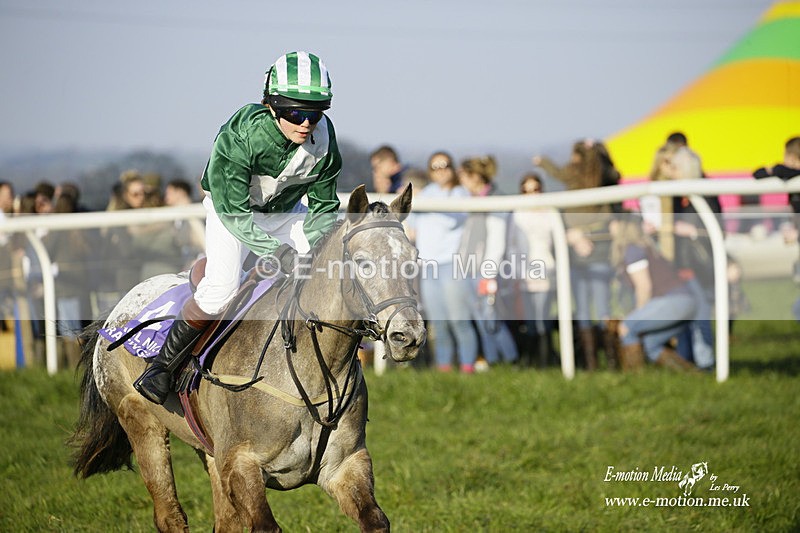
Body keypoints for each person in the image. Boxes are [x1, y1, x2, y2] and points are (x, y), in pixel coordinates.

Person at [135, 51, 342, 404]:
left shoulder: (323, 138)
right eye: (295, 113)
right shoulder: (241, 133)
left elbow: (325, 209)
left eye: (315, 112)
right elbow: (233, 213)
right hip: (232, 213)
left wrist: (312, 244)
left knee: (328, 266)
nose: (307, 123)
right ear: (271, 106)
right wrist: (277, 253)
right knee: (221, 289)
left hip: (282, 215)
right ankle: (161, 368)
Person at [408, 151, 479, 373]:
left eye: (445, 165)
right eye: (435, 167)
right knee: (438, 324)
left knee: (460, 320)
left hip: (452, 265)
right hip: (428, 267)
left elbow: (454, 221)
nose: (441, 170)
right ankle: (444, 369)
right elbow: (411, 228)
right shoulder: (425, 194)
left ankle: (468, 367)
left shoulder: (461, 194)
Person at [611, 216, 698, 371]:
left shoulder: (632, 250)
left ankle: (634, 380)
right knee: (651, 345)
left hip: (673, 300)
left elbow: (644, 287)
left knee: (627, 327)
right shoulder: (646, 247)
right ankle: (694, 377)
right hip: (686, 302)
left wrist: (637, 315)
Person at [457, 155, 518, 368]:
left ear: (474, 176)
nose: (461, 181)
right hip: (468, 267)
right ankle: (493, 361)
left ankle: (510, 360)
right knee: (481, 318)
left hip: (483, 270)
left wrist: (488, 274)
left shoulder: (495, 198)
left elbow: (497, 240)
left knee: (491, 319)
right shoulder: (472, 200)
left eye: (464, 176)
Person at [506, 173, 559, 366]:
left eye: (535, 189)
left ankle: (546, 360)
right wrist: (515, 270)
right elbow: (512, 244)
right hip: (524, 272)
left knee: (543, 317)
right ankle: (534, 361)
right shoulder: (518, 213)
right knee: (529, 319)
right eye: (527, 191)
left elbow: (557, 242)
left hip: (547, 269)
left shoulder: (550, 212)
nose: (532, 195)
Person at [164, 179, 206, 271]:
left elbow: (203, 242)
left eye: (169, 193)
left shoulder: (197, 214)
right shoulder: (173, 218)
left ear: (180, 192)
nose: (166, 197)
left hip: (197, 267)